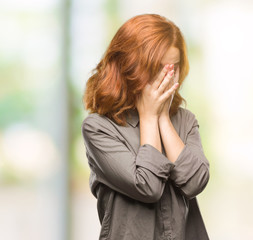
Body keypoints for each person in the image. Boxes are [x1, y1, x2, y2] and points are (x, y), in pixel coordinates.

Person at [81, 14, 210, 240]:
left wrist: (162, 118)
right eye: (157, 69)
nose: (166, 78)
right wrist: (149, 117)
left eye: (174, 68)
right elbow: (147, 187)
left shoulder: (185, 120)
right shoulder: (98, 128)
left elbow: (195, 183)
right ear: (128, 67)